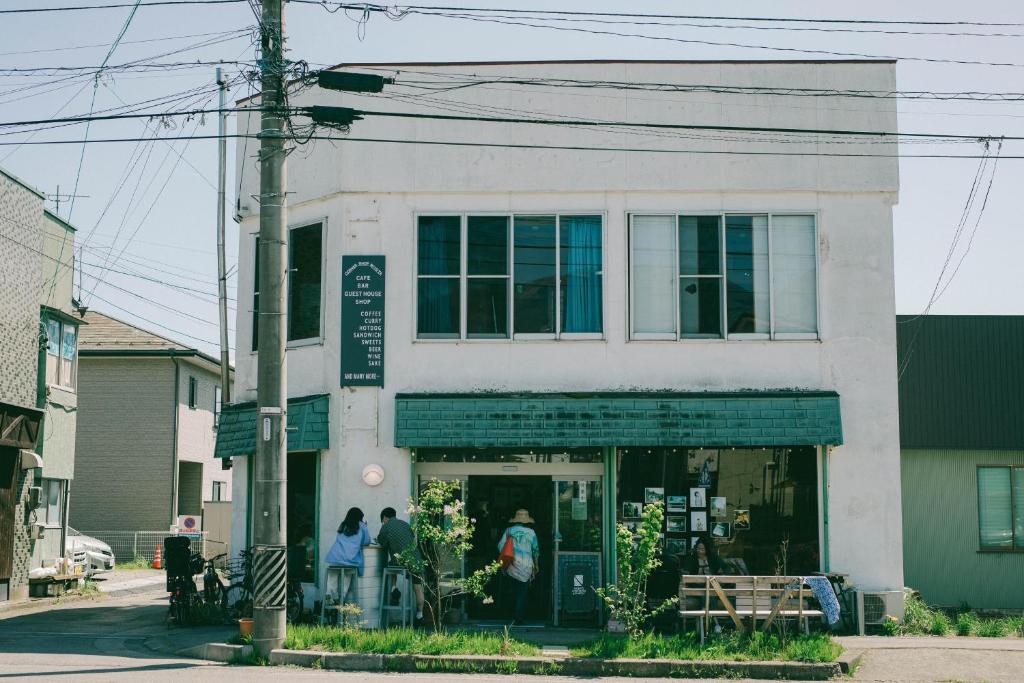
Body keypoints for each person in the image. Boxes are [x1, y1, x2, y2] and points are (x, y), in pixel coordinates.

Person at [377, 507, 425, 622]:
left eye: (382, 520)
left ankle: (394, 589)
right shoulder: (405, 524)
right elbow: (411, 539)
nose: (383, 522)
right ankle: (420, 615)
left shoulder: (386, 527)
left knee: (390, 566)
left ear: (384, 517)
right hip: (416, 560)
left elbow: (381, 542)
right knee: (418, 588)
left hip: (400, 562)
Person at [496, 509, 539, 626]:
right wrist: (536, 565)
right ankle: (519, 616)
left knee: (512, 590)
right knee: (522, 592)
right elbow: (535, 550)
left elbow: (500, 547)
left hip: (511, 565)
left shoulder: (509, 530)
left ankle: (509, 614)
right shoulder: (531, 533)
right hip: (527, 565)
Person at [324, 507, 371, 607]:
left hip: (335, 557)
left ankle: (330, 594)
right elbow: (367, 541)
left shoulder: (343, 524)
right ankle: (341, 598)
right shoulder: (362, 526)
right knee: (346, 576)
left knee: (333, 574)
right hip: (350, 559)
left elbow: (338, 537)